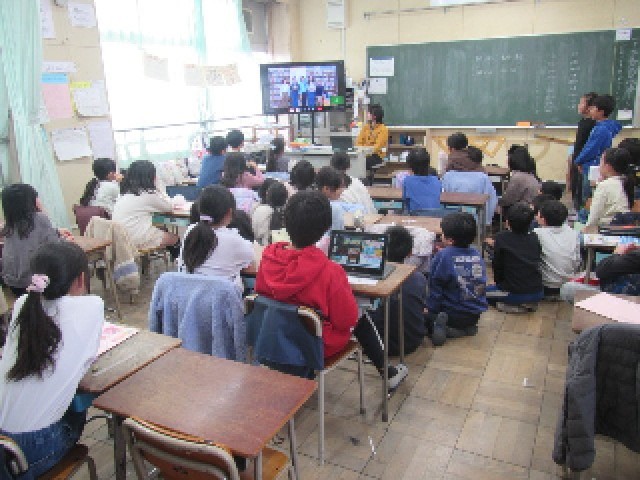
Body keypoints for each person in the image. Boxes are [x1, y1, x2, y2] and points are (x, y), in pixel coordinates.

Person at [255, 190, 408, 388]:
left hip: (271, 338)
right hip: (313, 346)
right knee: (360, 314)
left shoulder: (268, 258)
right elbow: (347, 319)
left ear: (286, 222)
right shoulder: (330, 271)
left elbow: (262, 293)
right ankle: (388, 372)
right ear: (326, 228)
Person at [0, 242, 104, 478]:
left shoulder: (23, 305)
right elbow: (88, 359)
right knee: (77, 404)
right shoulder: (92, 306)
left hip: (4, 440)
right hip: (35, 445)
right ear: (81, 279)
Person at [426, 212, 487, 346]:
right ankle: (466, 329)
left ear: (450, 240)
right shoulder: (477, 254)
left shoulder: (443, 255)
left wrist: (430, 309)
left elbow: (435, 287)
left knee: (421, 317)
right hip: (474, 314)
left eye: (442, 233)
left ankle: (443, 328)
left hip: (451, 313)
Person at [1, 184, 74, 297]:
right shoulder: (39, 218)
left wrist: (56, 232)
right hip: (34, 283)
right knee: (70, 262)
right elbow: (56, 249)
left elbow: (28, 239)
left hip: (12, 283)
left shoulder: (9, 224)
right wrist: (67, 240)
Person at [178, 185, 254, 288]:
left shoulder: (190, 230)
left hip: (188, 293)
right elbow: (251, 264)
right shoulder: (234, 240)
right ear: (230, 212)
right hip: (219, 296)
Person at [368, 226, 427, 356]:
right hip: (412, 342)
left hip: (376, 345)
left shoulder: (372, 278)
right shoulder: (419, 278)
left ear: (382, 249)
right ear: (410, 252)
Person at [486, 202, 544, 312]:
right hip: (537, 292)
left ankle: (511, 306)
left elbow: (497, 265)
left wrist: (499, 283)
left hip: (512, 293)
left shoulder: (501, 238)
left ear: (507, 222)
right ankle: (526, 304)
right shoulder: (534, 237)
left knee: (479, 292)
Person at [112, 160, 179, 251]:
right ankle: (179, 259)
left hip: (121, 239)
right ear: (150, 177)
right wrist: (159, 187)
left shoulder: (123, 193)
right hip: (135, 239)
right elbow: (168, 207)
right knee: (175, 238)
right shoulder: (147, 194)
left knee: (162, 229)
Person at [573, 94, 623, 206]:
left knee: (588, 197)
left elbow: (591, 148)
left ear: (601, 112)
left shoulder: (601, 129)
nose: (590, 110)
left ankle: (585, 215)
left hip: (592, 166)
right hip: (597, 164)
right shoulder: (605, 126)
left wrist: (578, 161)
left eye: (593, 108)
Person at [560, 243, 640, 302]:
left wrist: (617, 253)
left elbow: (601, 271)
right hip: (628, 296)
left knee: (568, 289)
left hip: (625, 301)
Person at [534, 200, 580, 298]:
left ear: (543, 219)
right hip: (569, 283)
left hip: (546, 285)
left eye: (538, 214)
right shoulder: (573, 233)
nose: (536, 216)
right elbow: (577, 261)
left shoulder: (537, 233)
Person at [442, 146, 498, 226]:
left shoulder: (448, 175)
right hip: (475, 221)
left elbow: (441, 199)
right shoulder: (482, 177)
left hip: (450, 219)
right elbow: (491, 201)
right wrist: (487, 222)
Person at [584, 147, 634, 231]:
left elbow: (594, 215)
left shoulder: (604, 185)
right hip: (624, 227)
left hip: (608, 229)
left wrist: (586, 229)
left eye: (601, 161)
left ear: (608, 167)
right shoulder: (625, 181)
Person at [569, 92, 598, 209]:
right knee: (576, 188)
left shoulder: (592, 124)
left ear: (590, 107)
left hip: (583, 163)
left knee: (582, 193)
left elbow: (588, 147)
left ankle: (581, 213)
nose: (579, 105)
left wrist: (579, 161)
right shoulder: (583, 122)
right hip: (578, 160)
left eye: (582, 103)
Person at [499, 146, 541, 216]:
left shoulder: (518, 177)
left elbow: (508, 200)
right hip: (531, 209)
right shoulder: (530, 174)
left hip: (524, 212)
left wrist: (496, 202)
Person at [402, 148, 442, 212]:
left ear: (410, 166)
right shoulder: (436, 180)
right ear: (428, 164)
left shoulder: (407, 181)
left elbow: (405, 201)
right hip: (435, 215)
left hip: (415, 215)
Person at [356, 104, 388, 181]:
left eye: (369, 113)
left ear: (374, 116)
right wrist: (361, 150)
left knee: (361, 162)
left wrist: (365, 151)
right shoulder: (366, 127)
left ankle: (363, 181)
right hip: (363, 154)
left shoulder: (383, 129)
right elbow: (359, 142)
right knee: (354, 160)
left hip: (376, 156)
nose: (367, 114)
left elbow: (377, 147)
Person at [252, 181, 288, 246]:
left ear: (267, 196)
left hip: (258, 245)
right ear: (286, 198)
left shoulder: (257, 208)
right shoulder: (285, 213)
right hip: (273, 246)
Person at [315, 166, 345, 232]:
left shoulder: (309, 200)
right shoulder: (334, 208)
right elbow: (337, 234)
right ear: (326, 189)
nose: (342, 191)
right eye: (340, 187)